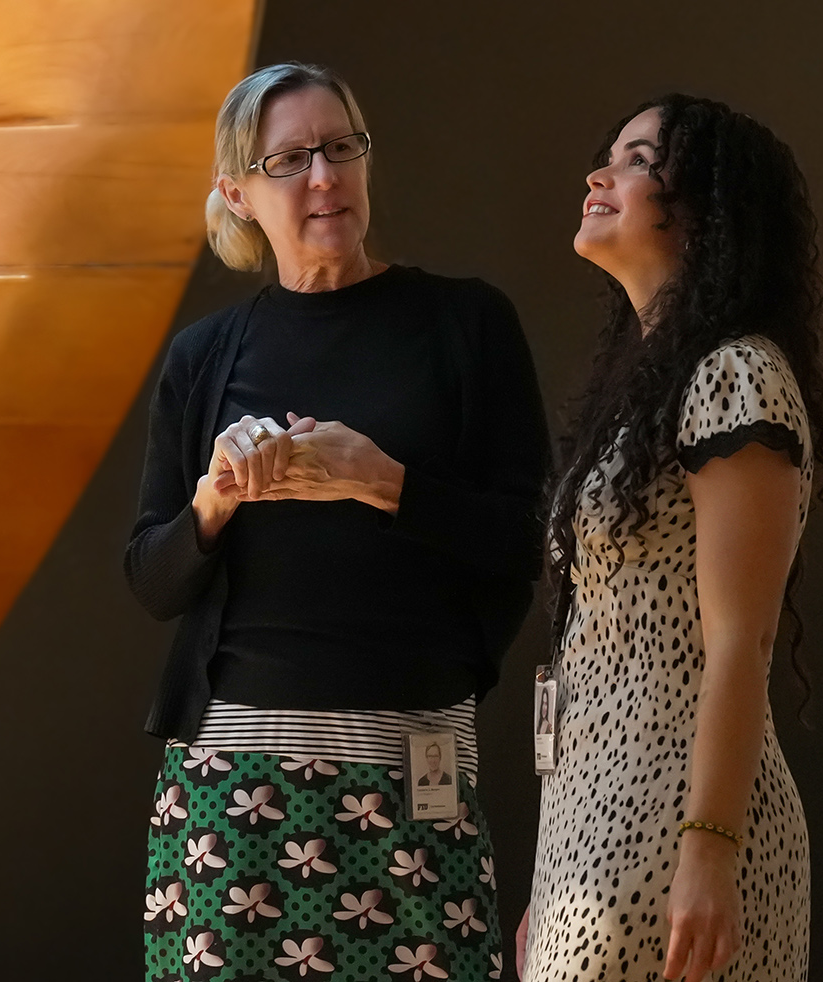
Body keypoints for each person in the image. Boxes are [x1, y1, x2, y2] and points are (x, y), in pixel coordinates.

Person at [127, 62, 549, 981]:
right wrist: (217, 499)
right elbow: (151, 579)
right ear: (237, 193)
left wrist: (383, 480)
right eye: (291, 160)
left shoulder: (464, 324)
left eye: (341, 148)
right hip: (232, 789)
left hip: (412, 765)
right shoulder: (204, 359)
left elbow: (527, 543)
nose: (325, 178)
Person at [518, 95, 823, 982]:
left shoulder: (736, 373)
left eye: (639, 160)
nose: (600, 174)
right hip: (590, 826)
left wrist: (708, 853)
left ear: (706, 208)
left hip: (680, 825)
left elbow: (744, 639)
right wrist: (555, 882)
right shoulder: (650, 387)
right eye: (609, 153)